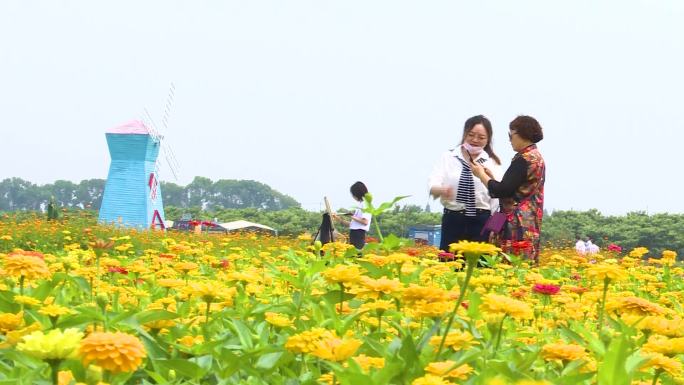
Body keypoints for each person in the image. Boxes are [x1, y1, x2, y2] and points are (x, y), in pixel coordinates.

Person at [471, 115, 545, 262]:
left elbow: (501, 191)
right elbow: (513, 188)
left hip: (515, 224)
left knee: (507, 265)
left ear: (522, 134)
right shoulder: (536, 157)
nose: (509, 139)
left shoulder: (523, 159)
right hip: (529, 222)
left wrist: (481, 175)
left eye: (511, 135)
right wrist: (491, 178)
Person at [428, 115, 503, 252]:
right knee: (449, 264)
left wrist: (495, 228)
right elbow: (433, 183)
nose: (475, 140)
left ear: (488, 140)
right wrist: (441, 190)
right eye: (471, 135)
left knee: (480, 267)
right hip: (453, 219)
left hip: (482, 221)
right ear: (464, 134)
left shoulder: (492, 163)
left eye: (481, 137)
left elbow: (500, 199)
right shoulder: (448, 157)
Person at [333, 181, 372, 250]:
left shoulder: (365, 205)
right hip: (354, 234)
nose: (353, 196)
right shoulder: (360, 204)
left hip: (358, 235)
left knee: (356, 255)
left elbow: (365, 222)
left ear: (357, 193)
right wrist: (339, 219)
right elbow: (352, 224)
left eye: (353, 194)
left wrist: (352, 216)